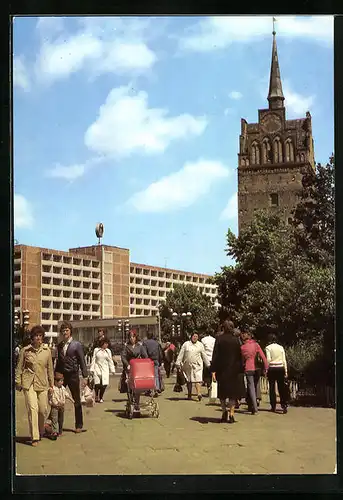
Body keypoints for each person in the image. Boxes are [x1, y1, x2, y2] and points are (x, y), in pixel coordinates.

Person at [15, 325, 54, 446]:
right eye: (36, 336)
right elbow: (19, 367)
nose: (38, 338)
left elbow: (50, 369)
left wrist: (52, 385)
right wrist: (18, 382)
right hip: (28, 383)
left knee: (43, 410)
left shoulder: (47, 352)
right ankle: (35, 437)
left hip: (42, 383)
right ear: (32, 337)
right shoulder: (25, 351)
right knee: (33, 408)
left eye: (40, 336)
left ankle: (41, 430)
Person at [55, 321, 88, 433]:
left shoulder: (76, 345)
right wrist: (55, 378)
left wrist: (85, 376)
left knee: (76, 400)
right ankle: (57, 426)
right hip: (62, 376)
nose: (65, 332)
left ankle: (79, 424)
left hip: (73, 375)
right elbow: (58, 362)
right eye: (63, 330)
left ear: (70, 331)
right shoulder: (59, 345)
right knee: (58, 400)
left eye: (67, 330)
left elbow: (82, 360)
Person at [211, 320, 245, 423]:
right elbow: (240, 356)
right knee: (232, 394)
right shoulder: (236, 340)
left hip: (222, 370)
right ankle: (232, 413)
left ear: (223, 328)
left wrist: (213, 370)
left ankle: (224, 411)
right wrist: (241, 369)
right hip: (234, 370)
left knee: (222, 393)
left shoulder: (219, 339)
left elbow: (215, 355)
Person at [240, 327, 268, 415]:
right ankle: (252, 404)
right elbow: (263, 357)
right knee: (255, 386)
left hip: (248, 368)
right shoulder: (256, 345)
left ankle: (254, 407)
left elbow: (242, 360)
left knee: (251, 387)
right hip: (257, 369)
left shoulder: (242, 347)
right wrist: (266, 367)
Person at [175, 332, 210, 401]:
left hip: (197, 365)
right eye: (194, 336)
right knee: (189, 380)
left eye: (196, 336)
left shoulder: (200, 345)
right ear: (191, 337)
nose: (195, 338)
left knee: (198, 379)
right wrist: (178, 363)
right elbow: (181, 354)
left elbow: (204, 355)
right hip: (187, 365)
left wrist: (208, 364)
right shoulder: (186, 344)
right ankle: (189, 394)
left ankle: (199, 393)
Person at [265, 333, 288, 413]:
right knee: (281, 387)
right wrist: (286, 370)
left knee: (272, 387)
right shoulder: (281, 347)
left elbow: (268, 359)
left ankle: (273, 405)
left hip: (272, 368)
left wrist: (266, 369)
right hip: (280, 367)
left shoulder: (268, 348)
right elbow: (284, 359)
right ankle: (284, 404)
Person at [48, 372, 74, 440]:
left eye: (62, 381)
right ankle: (54, 432)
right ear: (56, 381)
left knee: (61, 419)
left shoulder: (63, 388)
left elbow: (66, 395)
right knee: (54, 419)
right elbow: (50, 397)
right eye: (60, 381)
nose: (62, 383)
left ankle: (60, 431)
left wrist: (72, 400)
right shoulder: (53, 388)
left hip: (61, 406)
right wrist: (50, 392)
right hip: (55, 406)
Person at [90, 337, 116, 403]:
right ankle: (96, 395)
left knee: (104, 384)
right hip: (97, 368)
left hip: (105, 369)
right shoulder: (96, 350)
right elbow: (93, 359)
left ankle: (101, 397)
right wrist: (92, 369)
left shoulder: (108, 351)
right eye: (105, 343)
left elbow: (110, 361)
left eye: (107, 344)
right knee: (97, 384)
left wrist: (112, 370)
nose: (106, 345)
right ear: (102, 343)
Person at [143, 331, 164, 396]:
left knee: (148, 376)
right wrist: (160, 361)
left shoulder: (145, 343)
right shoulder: (157, 343)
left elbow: (144, 352)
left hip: (148, 361)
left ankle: (148, 389)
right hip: (156, 360)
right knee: (156, 375)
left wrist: (146, 359)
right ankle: (156, 388)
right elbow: (160, 353)